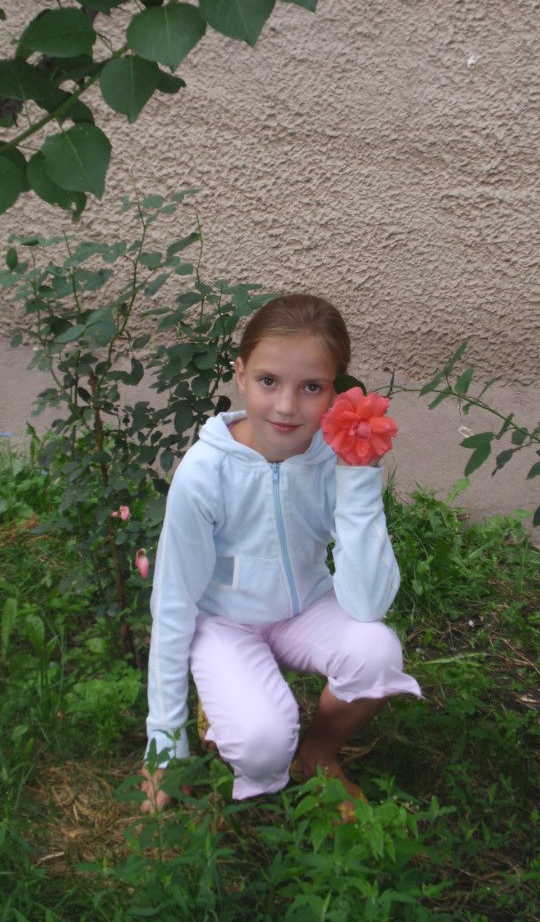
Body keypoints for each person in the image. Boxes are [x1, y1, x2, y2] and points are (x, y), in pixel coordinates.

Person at [140, 293, 421, 813]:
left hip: (306, 609)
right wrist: (164, 739)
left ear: (336, 391)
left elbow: (368, 604)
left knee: (378, 655)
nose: (288, 406)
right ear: (241, 375)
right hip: (225, 623)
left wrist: (357, 478)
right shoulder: (205, 474)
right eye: (268, 381)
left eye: (312, 387)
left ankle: (317, 753)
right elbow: (174, 602)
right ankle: (233, 719)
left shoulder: (333, 458)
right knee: (263, 745)